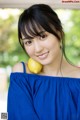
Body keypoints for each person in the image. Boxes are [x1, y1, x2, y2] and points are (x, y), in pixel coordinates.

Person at [7, 4, 80, 120]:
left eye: (42, 36)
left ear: (59, 33)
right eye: (28, 42)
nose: (37, 49)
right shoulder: (22, 74)